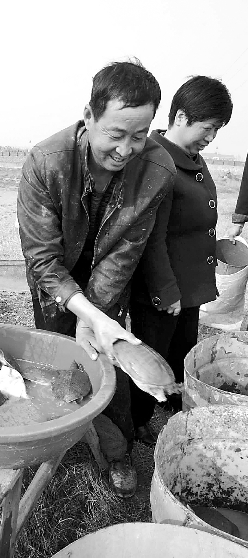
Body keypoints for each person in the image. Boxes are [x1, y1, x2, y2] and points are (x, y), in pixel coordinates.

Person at [17, 61, 176, 498]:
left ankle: (116, 449)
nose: (126, 149)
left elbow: (124, 255)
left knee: (109, 356)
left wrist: (96, 317)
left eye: (139, 135)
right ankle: (60, 438)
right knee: (59, 355)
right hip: (54, 280)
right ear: (88, 115)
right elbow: (43, 259)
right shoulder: (45, 162)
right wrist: (79, 311)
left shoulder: (157, 169)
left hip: (109, 281)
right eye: (116, 134)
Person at [129, 76, 233, 433]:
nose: (211, 137)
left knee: (182, 349)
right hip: (163, 287)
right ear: (182, 117)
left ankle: (173, 402)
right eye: (208, 127)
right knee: (151, 356)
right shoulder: (156, 161)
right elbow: (151, 236)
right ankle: (137, 421)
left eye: (217, 130)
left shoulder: (191, 158)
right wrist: (165, 290)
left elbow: (187, 222)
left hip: (188, 285)